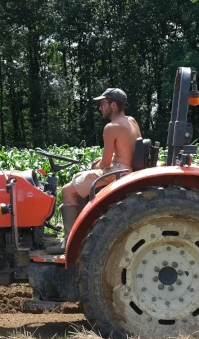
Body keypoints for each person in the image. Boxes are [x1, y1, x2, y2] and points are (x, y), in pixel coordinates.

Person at [55, 88, 142, 245]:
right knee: (79, 179)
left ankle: (69, 242)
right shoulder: (131, 121)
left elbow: (106, 164)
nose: (100, 108)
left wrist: (97, 164)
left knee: (67, 190)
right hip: (126, 169)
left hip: (117, 171)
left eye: (102, 104)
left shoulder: (111, 127)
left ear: (113, 105)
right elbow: (127, 150)